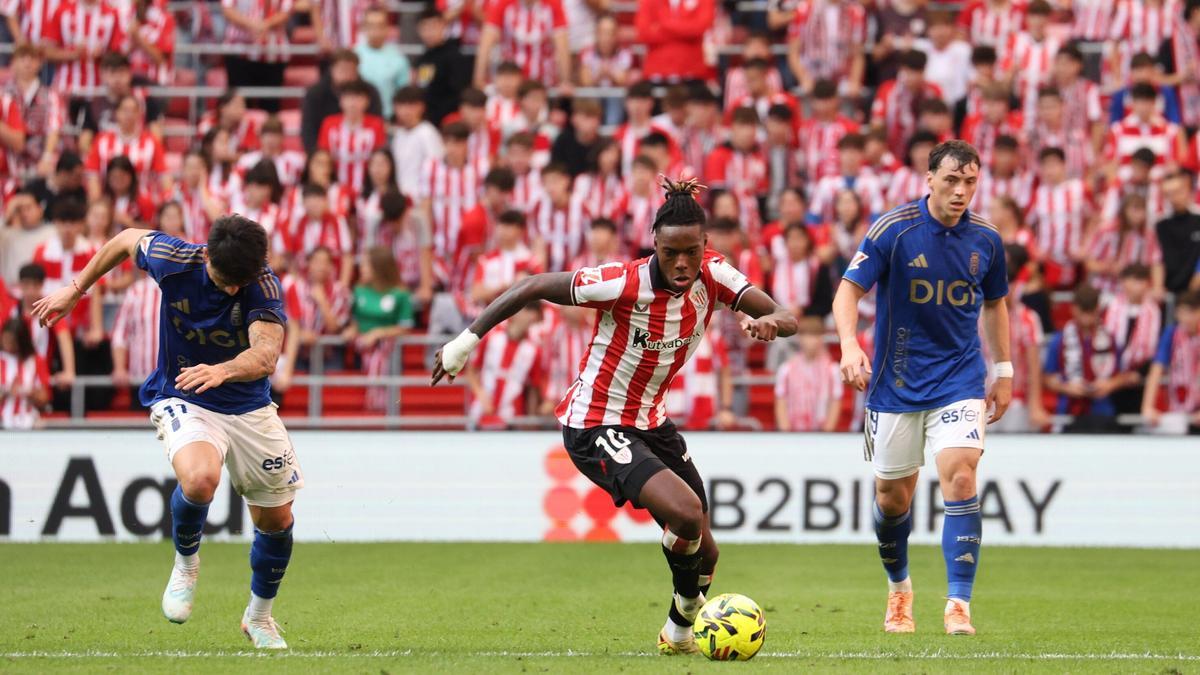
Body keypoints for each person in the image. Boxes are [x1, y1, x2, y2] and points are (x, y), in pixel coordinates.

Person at [431, 176, 798, 654]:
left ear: (705, 246)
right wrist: (465, 342)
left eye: (691, 250)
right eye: (671, 253)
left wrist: (771, 322)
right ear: (655, 246)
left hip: (651, 421)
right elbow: (534, 285)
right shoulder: (623, 281)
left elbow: (786, 316)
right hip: (595, 423)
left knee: (705, 549)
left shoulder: (717, 274)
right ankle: (685, 625)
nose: (681, 262)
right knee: (686, 515)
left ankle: (679, 632)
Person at [30, 215, 303, 649]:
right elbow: (122, 240)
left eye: (241, 282)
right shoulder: (172, 258)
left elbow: (267, 354)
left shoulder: (262, 283)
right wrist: (75, 289)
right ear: (207, 255)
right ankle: (186, 564)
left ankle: (259, 617)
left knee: (277, 519)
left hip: (248, 404)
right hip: (184, 393)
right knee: (199, 479)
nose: (233, 289)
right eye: (225, 280)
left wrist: (224, 370)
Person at [832, 140, 1011, 636]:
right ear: (928, 178)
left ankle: (958, 604)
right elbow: (848, 290)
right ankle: (899, 590)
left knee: (960, 477)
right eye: (952, 180)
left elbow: (996, 304)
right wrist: (849, 345)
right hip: (897, 383)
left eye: (970, 182)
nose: (960, 191)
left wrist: (1005, 369)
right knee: (892, 499)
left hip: (959, 378)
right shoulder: (894, 230)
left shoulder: (987, 240)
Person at [1042, 284, 1131, 433]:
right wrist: (1067, 387)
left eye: (1091, 312)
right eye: (1083, 312)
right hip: (1069, 413)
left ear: (1098, 309)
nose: (1087, 318)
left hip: (1103, 412)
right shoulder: (1060, 340)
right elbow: (1047, 378)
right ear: (1074, 309)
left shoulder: (1110, 339)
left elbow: (1124, 375)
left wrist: (1110, 384)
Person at [343, 246, 415, 410]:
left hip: (388, 352)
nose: (361, 268)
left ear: (378, 267)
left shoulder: (400, 294)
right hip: (360, 351)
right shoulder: (359, 291)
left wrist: (379, 333)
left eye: (366, 265)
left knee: (381, 358)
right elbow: (355, 319)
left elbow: (405, 326)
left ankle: (378, 403)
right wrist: (353, 330)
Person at [300, 49, 383, 153]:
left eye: (351, 70)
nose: (347, 75)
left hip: (365, 150)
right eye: (343, 70)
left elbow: (376, 123)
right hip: (325, 152)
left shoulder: (370, 92)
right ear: (332, 69)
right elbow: (309, 130)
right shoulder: (315, 94)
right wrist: (317, 159)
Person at [1141, 290, 1200, 434]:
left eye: (1191, 313)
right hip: (1179, 405)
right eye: (1182, 313)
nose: (1187, 319)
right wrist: (1147, 407)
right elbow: (1156, 369)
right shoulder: (1172, 333)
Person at [774, 316, 842, 432]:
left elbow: (835, 402)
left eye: (816, 335)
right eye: (808, 336)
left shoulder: (832, 370)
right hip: (793, 431)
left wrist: (827, 433)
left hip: (821, 432)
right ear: (800, 338)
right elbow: (781, 402)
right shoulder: (786, 369)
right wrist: (786, 433)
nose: (812, 341)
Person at [390, 86, 444, 198]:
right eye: (401, 105)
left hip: (422, 197)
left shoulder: (428, 133)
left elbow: (437, 168)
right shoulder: (398, 135)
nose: (406, 111)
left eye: (411, 105)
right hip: (401, 197)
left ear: (422, 107)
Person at [354, 5, 411, 109]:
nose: (375, 30)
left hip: (388, 118)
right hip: (360, 120)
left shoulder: (398, 58)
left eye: (380, 25)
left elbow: (404, 95)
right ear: (363, 27)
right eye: (371, 25)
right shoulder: (353, 56)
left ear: (387, 27)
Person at [0, 317, 50, 429]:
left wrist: (28, 392)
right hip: (2, 422)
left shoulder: (36, 361)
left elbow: (45, 398)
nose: (7, 344)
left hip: (29, 422)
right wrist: (6, 391)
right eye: (5, 340)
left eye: (11, 341)